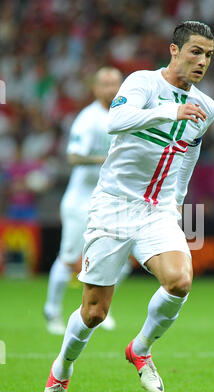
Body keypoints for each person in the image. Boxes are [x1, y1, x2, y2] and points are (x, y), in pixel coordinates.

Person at [43, 20, 214, 392]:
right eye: (195, 51)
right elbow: (116, 122)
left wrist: (178, 200)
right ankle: (62, 370)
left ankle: (140, 349)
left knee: (180, 281)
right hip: (114, 204)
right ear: (174, 50)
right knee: (94, 312)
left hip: (157, 210)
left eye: (208, 55)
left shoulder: (206, 107)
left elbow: (189, 153)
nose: (202, 61)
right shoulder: (141, 83)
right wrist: (171, 111)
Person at [43, 67, 133, 335]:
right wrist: (104, 160)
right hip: (81, 201)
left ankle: (101, 306)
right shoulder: (88, 118)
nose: (111, 88)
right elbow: (73, 157)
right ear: (95, 89)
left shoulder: (127, 116)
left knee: (122, 260)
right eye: (105, 84)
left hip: (111, 201)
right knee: (70, 259)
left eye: (115, 83)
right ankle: (52, 311)